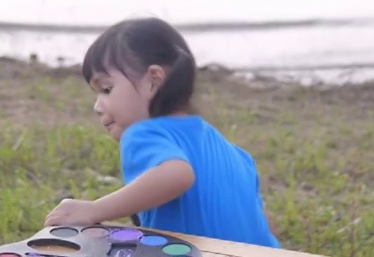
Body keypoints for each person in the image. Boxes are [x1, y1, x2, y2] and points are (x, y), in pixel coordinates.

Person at [45, 16, 280, 247]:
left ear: (153, 81)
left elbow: (178, 174)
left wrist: (94, 211)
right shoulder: (236, 154)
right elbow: (264, 224)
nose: (97, 106)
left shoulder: (142, 134)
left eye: (107, 89)